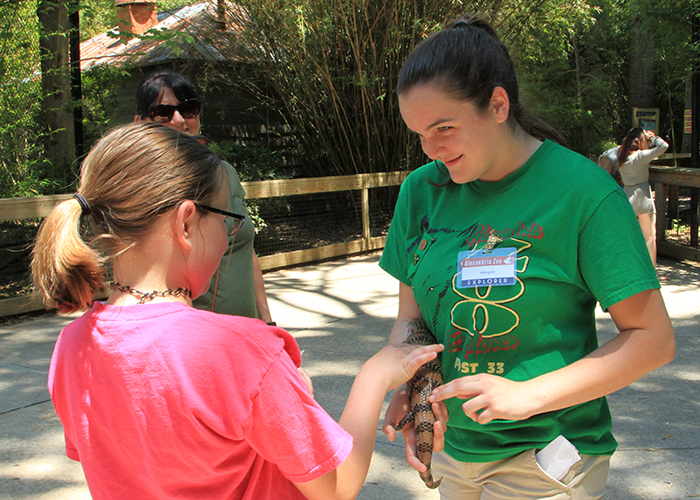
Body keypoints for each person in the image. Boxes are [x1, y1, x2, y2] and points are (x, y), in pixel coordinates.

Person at [31, 122, 444, 500]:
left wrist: (275, 395)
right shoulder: (241, 350)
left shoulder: (72, 346)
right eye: (227, 219)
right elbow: (336, 488)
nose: (229, 234)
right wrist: (375, 378)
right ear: (187, 223)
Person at [379, 14, 675, 500]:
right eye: (419, 134)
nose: (431, 149)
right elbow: (412, 322)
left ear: (498, 104)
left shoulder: (583, 194)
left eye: (444, 128)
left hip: (547, 454)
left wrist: (526, 395)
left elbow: (653, 339)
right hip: (458, 451)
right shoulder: (422, 191)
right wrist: (417, 395)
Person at [134, 71, 274, 323]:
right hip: (191, 341)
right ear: (140, 122)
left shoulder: (224, 173)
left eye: (188, 109)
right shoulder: (140, 189)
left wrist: (268, 323)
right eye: (162, 113)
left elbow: (245, 250)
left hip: (247, 332)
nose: (179, 121)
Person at [618, 127, 669, 266]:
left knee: (630, 237)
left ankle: (630, 267)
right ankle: (650, 270)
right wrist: (653, 138)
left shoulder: (622, 158)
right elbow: (664, 146)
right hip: (643, 198)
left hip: (627, 198)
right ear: (640, 141)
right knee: (649, 237)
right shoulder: (641, 156)